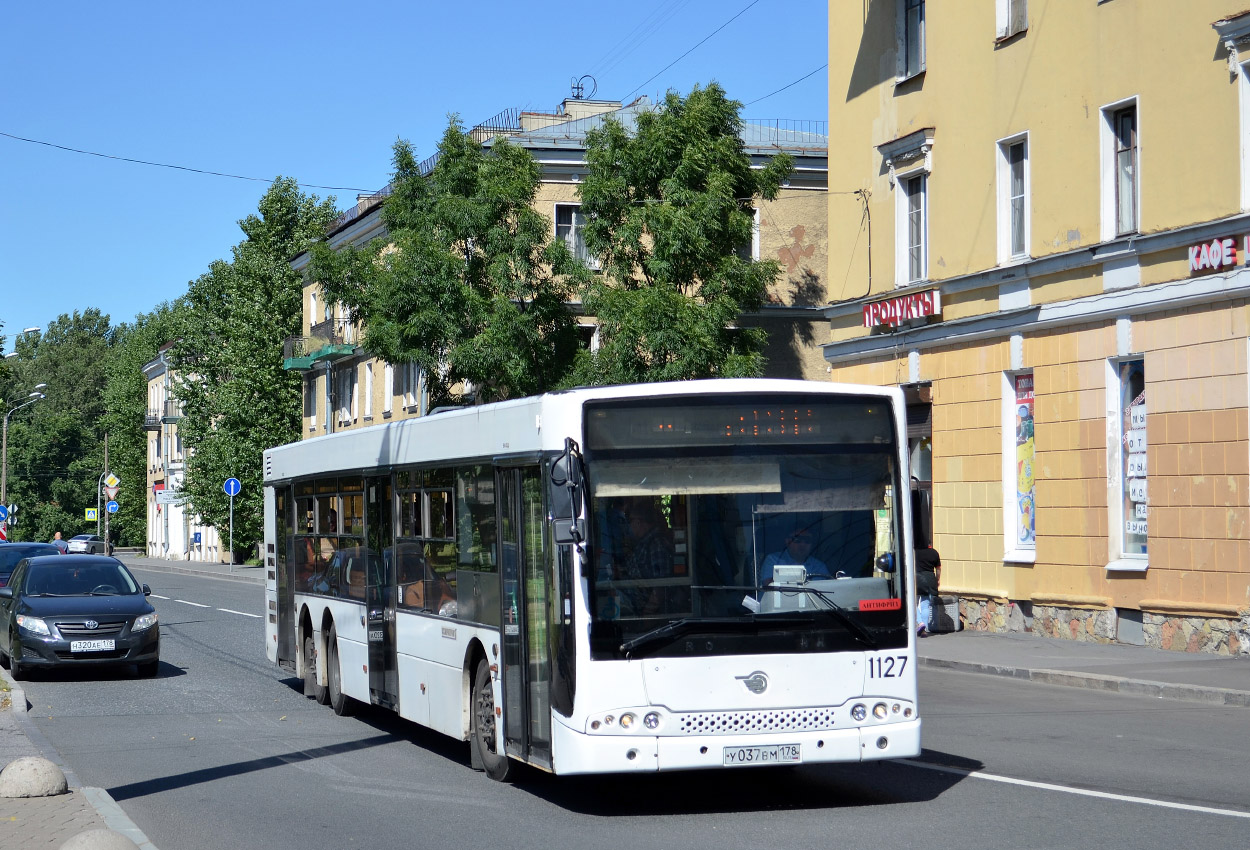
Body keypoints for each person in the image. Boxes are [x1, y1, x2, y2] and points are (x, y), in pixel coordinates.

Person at [616, 498, 673, 616]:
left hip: (643, 614)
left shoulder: (656, 545)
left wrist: (645, 619)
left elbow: (660, 588)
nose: (629, 526)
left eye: (630, 521)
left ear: (638, 522)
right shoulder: (642, 543)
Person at [758, 527, 831, 586]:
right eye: (797, 539)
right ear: (787, 541)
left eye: (807, 540)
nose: (802, 544)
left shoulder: (819, 566)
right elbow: (769, 585)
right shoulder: (773, 560)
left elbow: (825, 589)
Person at [914, 541, 941, 636]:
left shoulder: (914, 552)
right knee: (925, 604)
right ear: (929, 545)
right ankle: (924, 629)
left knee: (913, 603)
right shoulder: (934, 552)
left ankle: (920, 623)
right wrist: (937, 580)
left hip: (916, 578)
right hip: (929, 578)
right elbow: (938, 569)